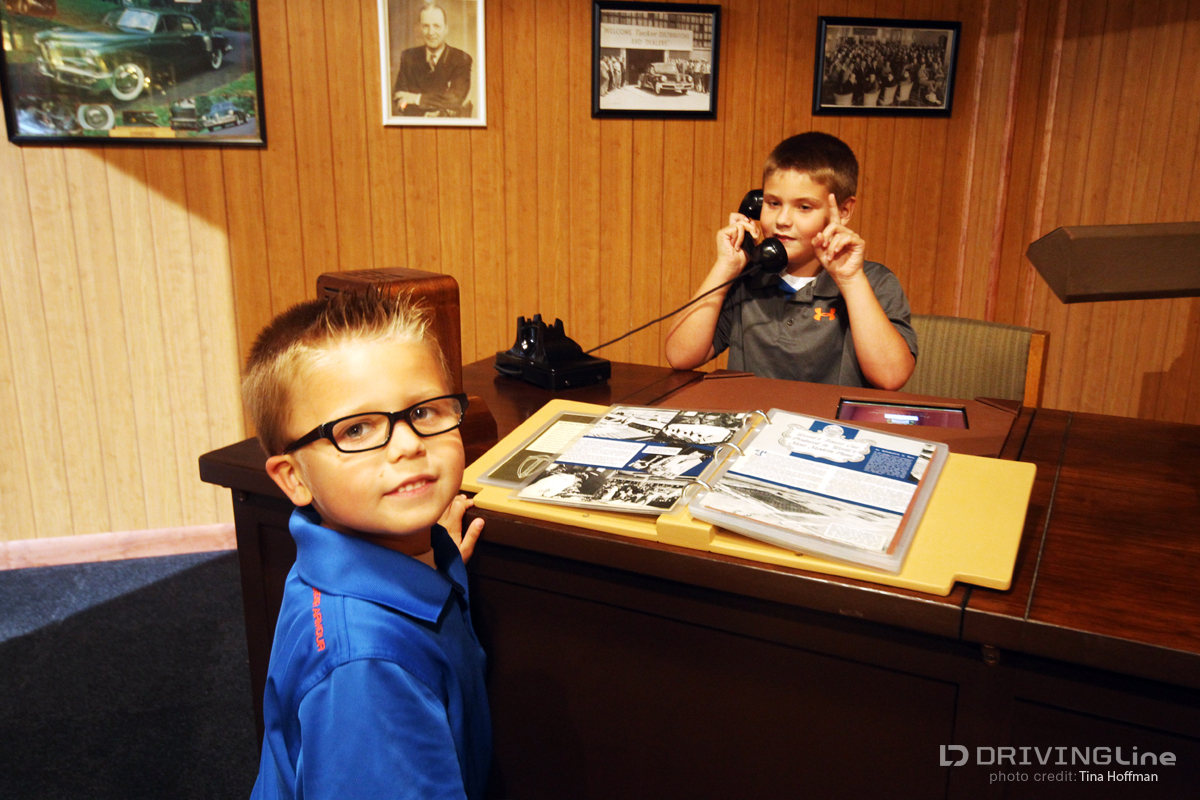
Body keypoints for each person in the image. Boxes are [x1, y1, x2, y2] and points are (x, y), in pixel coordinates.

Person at [243, 290, 490, 799]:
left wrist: (433, 562)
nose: (408, 445)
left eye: (424, 411)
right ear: (293, 478)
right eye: (356, 429)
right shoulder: (366, 668)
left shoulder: (354, 554)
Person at [664, 131, 917, 390]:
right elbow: (680, 356)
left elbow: (891, 377)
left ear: (843, 210)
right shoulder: (748, 278)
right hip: (753, 422)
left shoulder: (873, 282)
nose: (783, 220)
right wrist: (726, 268)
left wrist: (850, 281)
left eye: (804, 207)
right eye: (773, 203)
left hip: (831, 427)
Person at [393, 3, 472, 117]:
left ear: (446, 29)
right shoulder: (408, 57)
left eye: (437, 26)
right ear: (420, 28)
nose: (431, 33)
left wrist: (415, 99)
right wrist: (406, 105)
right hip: (415, 124)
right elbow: (399, 99)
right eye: (426, 26)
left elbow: (454, 99)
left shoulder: (461, 59)